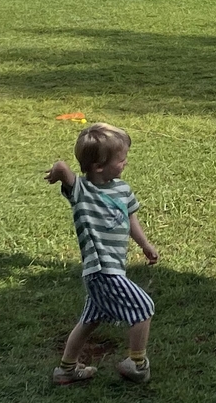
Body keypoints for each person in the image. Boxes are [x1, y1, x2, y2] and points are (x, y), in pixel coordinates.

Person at [47, 122, 160, 383]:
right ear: (98, 166)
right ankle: (137, 363)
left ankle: (65, 370)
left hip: (113, 267)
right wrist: (56, 173)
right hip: (101, 269)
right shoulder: (82, 191)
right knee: (143, 307)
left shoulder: (122, 189)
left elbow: (130, 218)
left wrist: (145, 245)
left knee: (90, 319)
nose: (125, 163)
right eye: (121, 160)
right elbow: (63, 167)